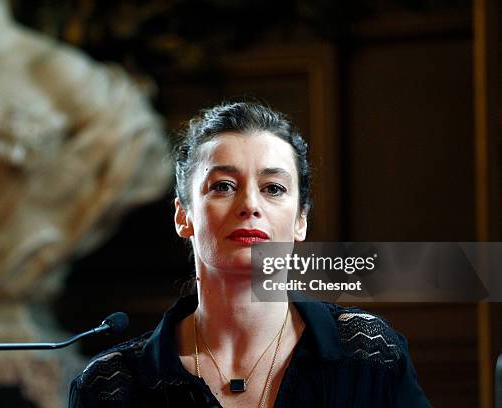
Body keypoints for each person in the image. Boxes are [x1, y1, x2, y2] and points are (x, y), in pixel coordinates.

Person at [69, 102, 431, 407]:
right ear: (184, 216)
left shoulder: (369, 356)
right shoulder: (110, 386)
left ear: (300, 221)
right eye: (224, 186)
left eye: (273, 188)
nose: (250, 205)